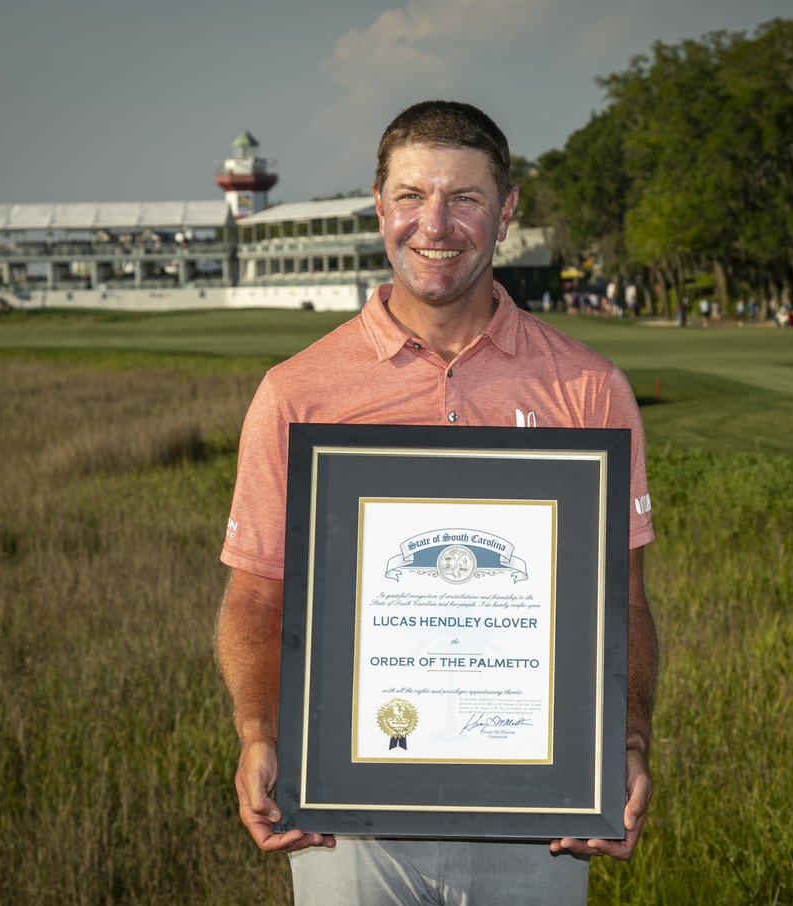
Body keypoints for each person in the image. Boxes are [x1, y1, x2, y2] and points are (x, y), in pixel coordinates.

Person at [214, 100, 660, 906]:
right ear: (379, 205)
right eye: (412, 195)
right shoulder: (296, 393)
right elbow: (255, 593)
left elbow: (621, 600)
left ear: (507, 210)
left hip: (539, 824)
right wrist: (258, 732)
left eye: (465, 198)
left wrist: (626, 741)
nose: (436, 224)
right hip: (346, 820)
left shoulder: (589, 389)